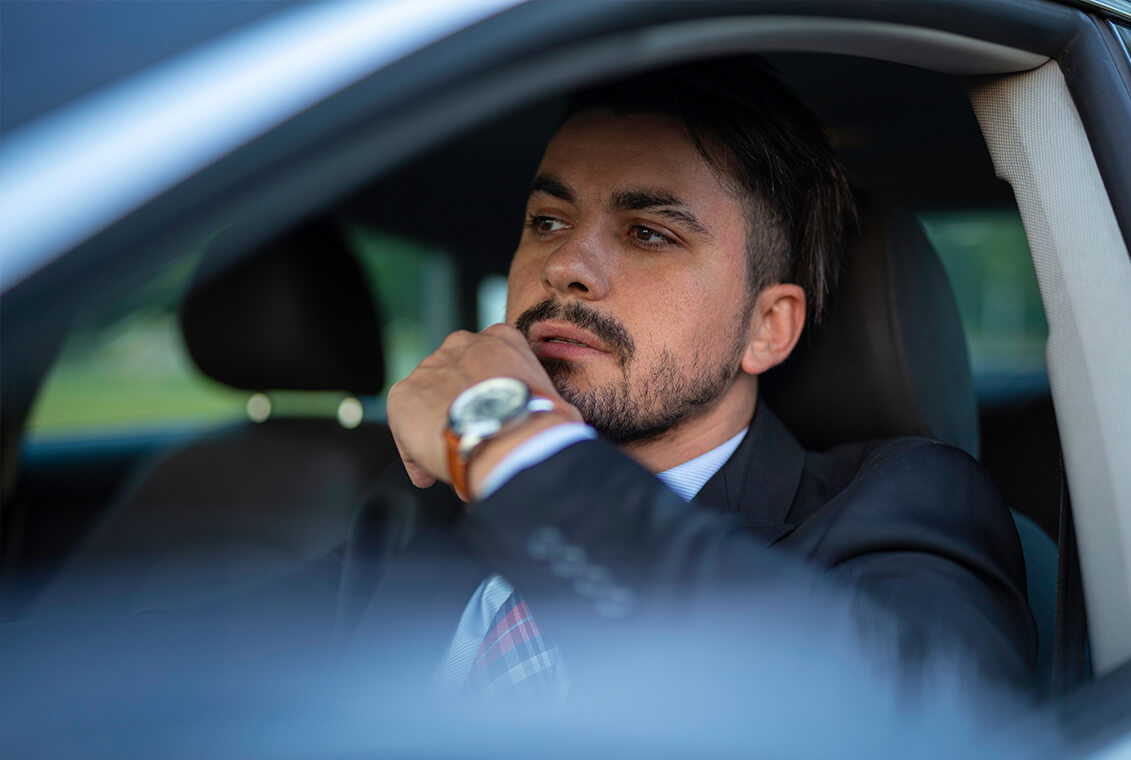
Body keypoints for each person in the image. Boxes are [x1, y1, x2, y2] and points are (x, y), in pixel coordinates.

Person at [373, 57, 1037, 695]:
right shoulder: (417, 504)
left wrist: (510, 446)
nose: (565, 265)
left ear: (766, 327)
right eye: (547, 221)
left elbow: (924, 718)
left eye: (649, 233)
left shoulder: (909, 504)